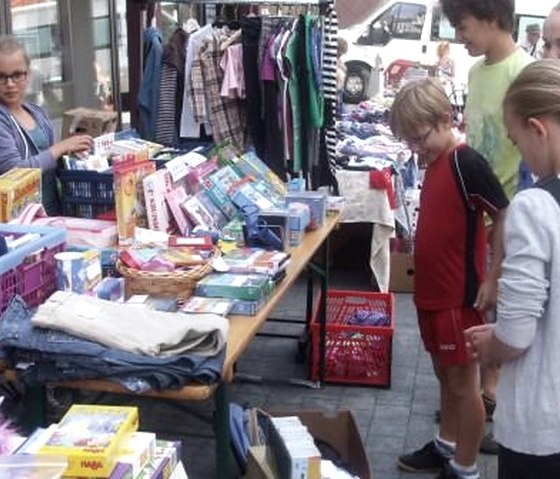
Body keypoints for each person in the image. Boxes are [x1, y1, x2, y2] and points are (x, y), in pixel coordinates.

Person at [390, 77, 509, 479]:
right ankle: (446, 444)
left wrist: (493, 277)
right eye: (408, 142)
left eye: (419, 138)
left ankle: (465, 466)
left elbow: (503, 212)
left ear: (444, 120)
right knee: (445, 372)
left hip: (459, 298)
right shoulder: (438, 161)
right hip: (432, 295)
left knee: (463, 383)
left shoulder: (465, 162)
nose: (415, 149)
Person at [439, 0, 533, 454]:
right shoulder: (476, 72)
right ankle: (475, 400)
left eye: (463, 25)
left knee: (506, 309)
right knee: (478, 309)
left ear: (493, 18)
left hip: (512, 217)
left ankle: (491, 402)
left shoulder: (524, 72)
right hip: (473, 216)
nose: (460, 35)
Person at [465, 59, 560, 479]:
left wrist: (493, 347)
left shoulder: (536, 206)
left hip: (544, 423)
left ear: (538, 129)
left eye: (518, 143)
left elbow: (518, 332)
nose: (523, 155)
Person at [0, 36, 93, 216]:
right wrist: (60, 148)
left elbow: (52, 162)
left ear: (28, 75)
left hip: (53, 213)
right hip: (20, 224)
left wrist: (76, 153)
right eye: (1, 77)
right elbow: (14, 172)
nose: (9, 84)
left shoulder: (37, 112)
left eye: (17, 75)